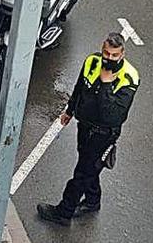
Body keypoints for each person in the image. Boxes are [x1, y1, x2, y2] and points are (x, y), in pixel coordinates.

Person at [36, 33, 140, 226]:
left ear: (122, 54)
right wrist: (70, 110)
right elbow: (79, 88)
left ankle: (63, 212)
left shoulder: (129, 78)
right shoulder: (92, 61)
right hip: (84, 127)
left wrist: (107, 83)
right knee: (88, 166)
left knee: (82, 174)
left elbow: (113, 116)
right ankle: (92, 201)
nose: (108, 59)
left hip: (103, 135)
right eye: (106, 53)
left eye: (114, 55)